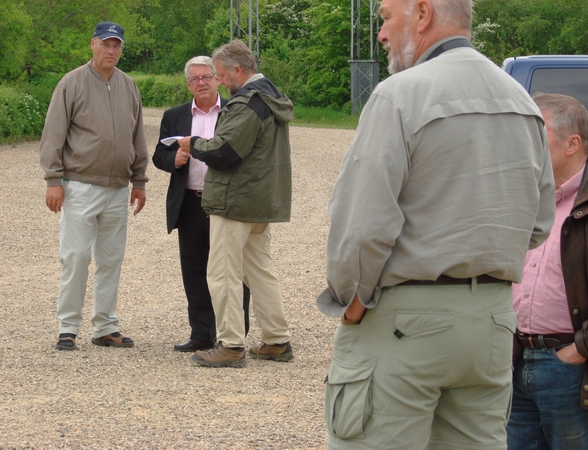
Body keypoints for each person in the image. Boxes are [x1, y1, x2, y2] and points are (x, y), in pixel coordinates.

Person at [316, 0, 556, 448]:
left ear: (422, 14)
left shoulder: (400, 95)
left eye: (386, 17)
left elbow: (361, 226)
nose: (382, 34)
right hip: (491, 323)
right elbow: (539, 223)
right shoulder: (520, 100)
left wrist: (352, 300)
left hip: (405, 320)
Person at [178, 40, 294, 368]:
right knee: (259, 271)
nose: (221, 81)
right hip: (258, 200)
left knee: (222, 273)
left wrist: (194, 143)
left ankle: (230, 345)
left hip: (236, 200)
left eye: (221, 74)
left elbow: (225, 152)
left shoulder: (247, 103)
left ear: (238, 71)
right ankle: (276, 339)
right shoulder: (271, 98)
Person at [40, 22, 149, 351]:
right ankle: (67, 327)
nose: (111, 51)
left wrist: (139, 180)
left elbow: (137, 136)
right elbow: (54, 134)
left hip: (117, 188)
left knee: (111, 259)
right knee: (74, 256)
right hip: (80, 186)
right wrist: (53, 180)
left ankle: (105, 326)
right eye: (106, 44)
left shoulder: (129, 86)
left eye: (117, 45)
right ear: (93, 45)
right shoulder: (71, 83)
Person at [152, 56, 250, 352]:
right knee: (194, 271)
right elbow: (159, 154)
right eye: (194, 79)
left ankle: (232, 333)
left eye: (206, 77)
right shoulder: (175, 115)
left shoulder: (235, 111)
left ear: (217, 79)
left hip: (226, 203)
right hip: (191, 202)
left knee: (232, 271)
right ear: (188, 85)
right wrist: (174, 160)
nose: (201, 83)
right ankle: (200, 335)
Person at [507, 93, 588, 449]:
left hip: (569, 366)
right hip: (515, 359)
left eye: (536, 133)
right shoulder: (525, 196)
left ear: (573, 144)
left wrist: (578, 351)